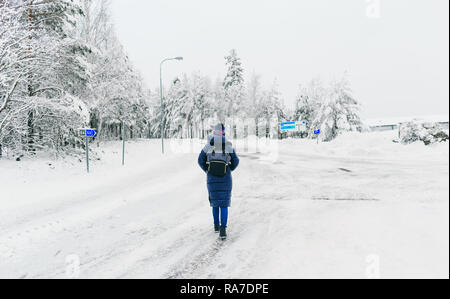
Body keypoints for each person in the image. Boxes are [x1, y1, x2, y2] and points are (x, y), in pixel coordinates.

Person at [198, 123, 240, 240]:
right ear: (223, 133)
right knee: (224, 204)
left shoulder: (207, 146)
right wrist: (228, 169)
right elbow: (236, 161)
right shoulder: (228, 146)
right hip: (225, 178)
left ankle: (216, 226)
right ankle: (223, 230)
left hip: (211, 178)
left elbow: (200, 160)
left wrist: (207, 170)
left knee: (215, 203)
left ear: (214, 132)